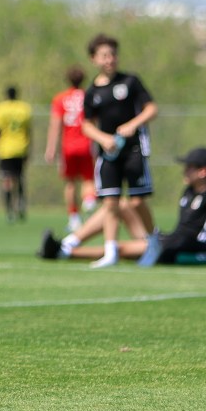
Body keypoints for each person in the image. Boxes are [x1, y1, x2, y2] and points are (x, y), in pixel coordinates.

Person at [41, 147, 206, 268]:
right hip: (171, 239)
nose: (185, 171)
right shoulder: (189, 192)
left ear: (203, 172)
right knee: (119, 204)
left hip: (187, 247)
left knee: (122, 248)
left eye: (189, 167)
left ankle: (63, 253)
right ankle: (70, 242)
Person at [82, 33, 159, 268]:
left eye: (113, 54)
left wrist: (132, 125)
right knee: (110, 203)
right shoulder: (92, 92)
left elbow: (151, 109)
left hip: (134, 150)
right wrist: (103, 139)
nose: (110, 60)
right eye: (104, 55)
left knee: (136, 201)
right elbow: (86, 125)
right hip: (109, 154)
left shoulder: (130, 82)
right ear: (94, 59)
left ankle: (154, 241)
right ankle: (110, 251)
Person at [45, 65, 97, 232]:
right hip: (87, 144)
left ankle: (74, 217)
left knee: (70, 183)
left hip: (68, 147)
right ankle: (89, 201)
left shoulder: (60, 98)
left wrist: (51, 148)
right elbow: (95, 121)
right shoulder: (89, 96)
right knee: (89, 179)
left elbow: (56, 125)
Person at [0, 86, 32, 222]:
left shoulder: (0, 109)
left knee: (7, 180)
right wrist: (29, 148)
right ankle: (20, 203)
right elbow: (28, 131)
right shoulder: (24, 108)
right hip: (21, 147)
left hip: (5, 149)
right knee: (19, 177)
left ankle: (9, 210)